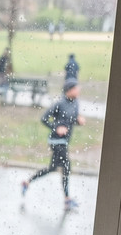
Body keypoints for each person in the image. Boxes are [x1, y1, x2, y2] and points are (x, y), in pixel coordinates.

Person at [21, 78, 86, 210]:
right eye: (76, 88)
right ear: (69, 90)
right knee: (66, 166)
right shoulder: (60, 103)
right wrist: (56, 127)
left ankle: (27, 182)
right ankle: (67, 199)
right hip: (56, 141)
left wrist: (78, 121)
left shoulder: (76, 103)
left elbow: (71, 120)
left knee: (53, 168)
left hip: (64, 141)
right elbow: (44, 118)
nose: (79, 90)